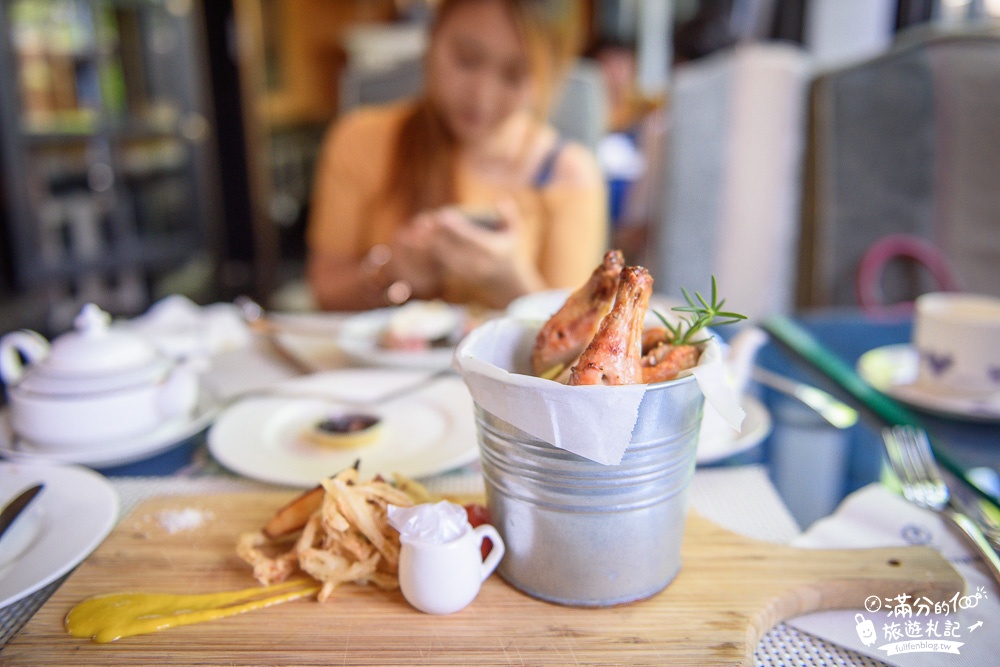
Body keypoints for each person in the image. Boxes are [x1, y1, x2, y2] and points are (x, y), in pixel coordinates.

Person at [305, 0, 608, 311]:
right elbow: (325, 291)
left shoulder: (570, 173)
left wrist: (510, 281)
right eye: (466, 60)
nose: (481, 95)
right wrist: (392, 271)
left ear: (547, 78)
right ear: (432, 39)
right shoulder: (359, 139)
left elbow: (578, 338)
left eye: (514, 75)